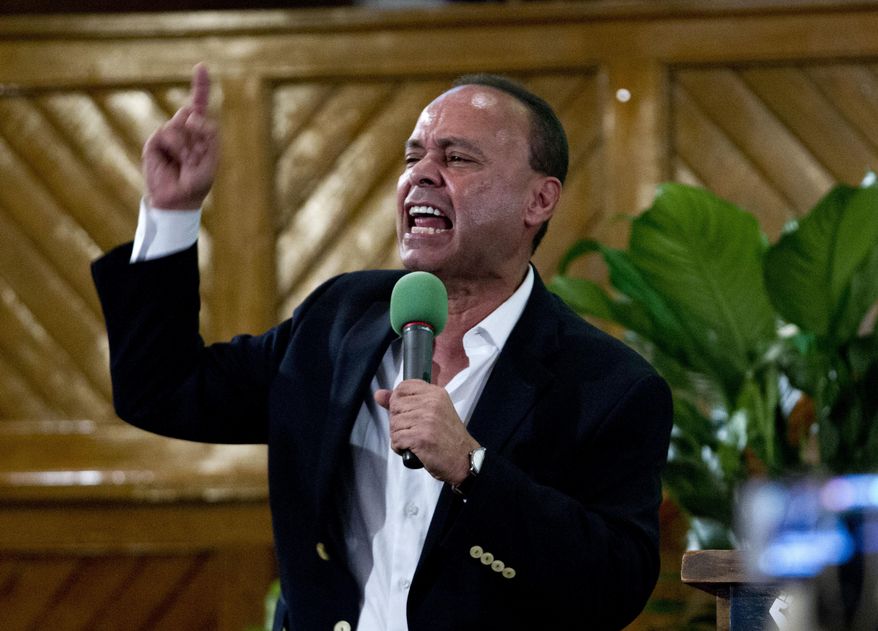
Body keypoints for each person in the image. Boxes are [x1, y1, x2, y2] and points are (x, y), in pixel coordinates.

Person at [91, 64, 673, 631]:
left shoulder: (609, 385)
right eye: (413, 157)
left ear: (539, 201)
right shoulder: (338, 321)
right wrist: (172, 211)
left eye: (457, 158)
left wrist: (473, 469)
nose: (422, 175)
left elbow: (614, 588)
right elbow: (162, 389)